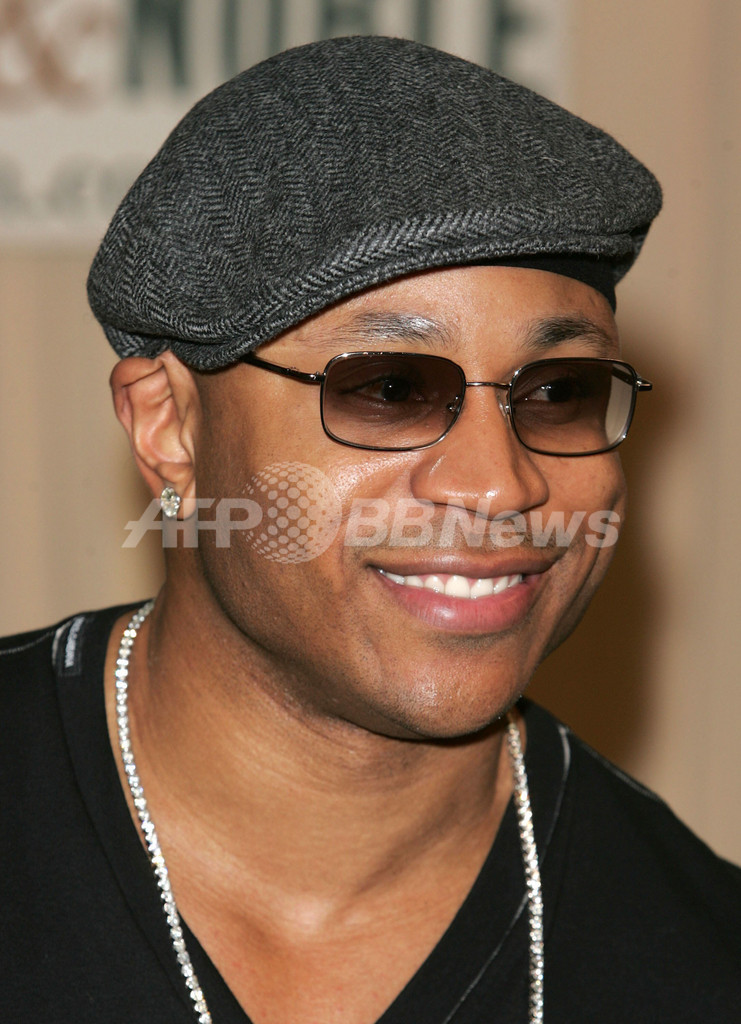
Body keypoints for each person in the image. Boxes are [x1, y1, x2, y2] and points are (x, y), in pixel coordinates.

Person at [1, 35, 739, 1024]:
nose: (498, 485)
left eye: (558, 392)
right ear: (170, 425)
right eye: (390, 389)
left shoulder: (697, 961)